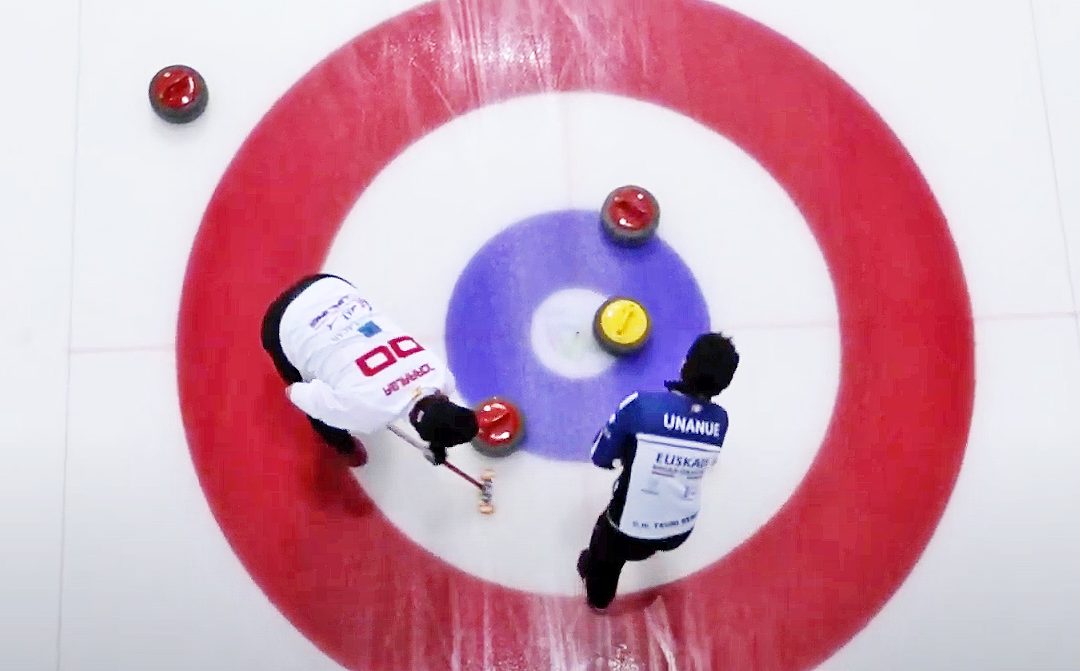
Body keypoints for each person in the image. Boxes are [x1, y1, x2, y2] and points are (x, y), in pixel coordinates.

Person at [577, 332, 739, 610]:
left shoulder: (640, 405)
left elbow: (599, 456)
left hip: (626, 528)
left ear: (685, 364)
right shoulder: (721, 420)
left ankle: (598, 596)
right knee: (642, 544)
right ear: (724, 384)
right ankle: (643, 548)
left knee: (603, 558)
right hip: (680, 530)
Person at [260, 273, 479, 467]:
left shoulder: (441, 375)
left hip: (330, 287)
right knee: (322, 416)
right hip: (283, 321)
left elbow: (430, 403)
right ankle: (345, 448)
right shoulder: (364, 416)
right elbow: (295, 392)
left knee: (334, 402)